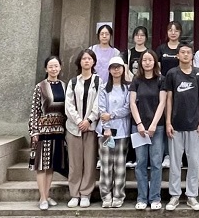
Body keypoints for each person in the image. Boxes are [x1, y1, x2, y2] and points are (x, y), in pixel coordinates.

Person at [164, 44, 199, 211]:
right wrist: (168, 122)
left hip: (194, 125)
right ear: (178, 55)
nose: (186, 55)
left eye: (188, 52)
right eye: (182, 52)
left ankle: (192, 195)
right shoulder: (172, 74)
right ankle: (174, 195)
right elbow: (169, 99)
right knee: (175, 163)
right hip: (175, 125)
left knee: (194, 162)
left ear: (192, 55)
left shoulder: (198, 74)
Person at [29, 55, 67, 211]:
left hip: (58, 130)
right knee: (41, 165)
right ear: (46, 69)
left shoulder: (64, 86)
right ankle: (42, 198)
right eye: (50, 66)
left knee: (51, 165)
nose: (53, 69)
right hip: (43, 130)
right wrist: (34, 131)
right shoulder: (40, 87)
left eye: (56, 66)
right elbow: (34, 110)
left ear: (60, 67)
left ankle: (47, 194)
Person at [130, 49, 166, 210]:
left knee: (156, 162)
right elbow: (132, 103)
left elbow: (162, 103)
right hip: (138, 127)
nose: (147, 62)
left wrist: (153, 124)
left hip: (157, 127)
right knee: (141, 163)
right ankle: (142, 198)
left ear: (155, 62)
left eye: (150, 60)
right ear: (140, 63)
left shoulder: (161, 80)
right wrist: (139, 124)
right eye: (144, 60)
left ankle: (155, 197)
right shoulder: (136, 80)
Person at [64, 49, 100, 209]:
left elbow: (99, 103)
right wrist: (79, 121)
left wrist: (89, 120)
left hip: (91, 128)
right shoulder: (73, 82)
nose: (86, 61)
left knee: (89, 162)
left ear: (93, 62)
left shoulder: (98, 81)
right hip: (74, 128)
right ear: (79, 62)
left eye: (89, 58)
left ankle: (85, 193)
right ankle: (74, 194)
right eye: (84, 58)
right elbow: (69, 105)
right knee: (74, 163)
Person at [96, 56, 131, 208]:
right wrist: (106, 127)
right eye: (113, 67)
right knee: (106, 164)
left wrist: (112, 115)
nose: (116, 70)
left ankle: (118, 195)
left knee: (120, 165)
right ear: (109, 70)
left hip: (122, 132)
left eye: (118, 67)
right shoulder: (103, 88)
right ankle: (106, 196)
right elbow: (101, 109)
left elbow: (127, 108)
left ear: (123, 69)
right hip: (106, 133)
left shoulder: (128, 88)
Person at [156, 20, 183, 168]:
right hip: (164, 88)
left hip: (181, 88)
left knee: (178, 120)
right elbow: (157, 69)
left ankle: (179, 155)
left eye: (176, 30)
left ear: (180, 33)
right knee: (166, 120)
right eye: (170, 30)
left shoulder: (183, 48)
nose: (173, 33)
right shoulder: (161, 49)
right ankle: (167, 154)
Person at [123, 25, 149, 169]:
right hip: (132, 88)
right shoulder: (128, 53)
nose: (139, 37)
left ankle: (144, 159)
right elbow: (126, 71)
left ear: (146, 38)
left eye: (142, 35)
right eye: (137, 35)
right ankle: (131, 156)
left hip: (145, 89)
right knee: (132, 124)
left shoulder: (148, 53)